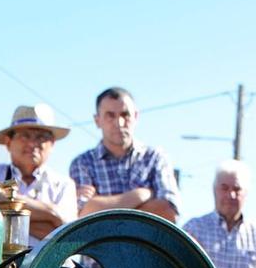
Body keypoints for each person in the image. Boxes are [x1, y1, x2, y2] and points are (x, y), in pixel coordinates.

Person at [0, 103, 78, 250]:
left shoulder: (64, 184)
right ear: (8, 143)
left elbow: (69, 235)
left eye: (41, 137)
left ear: (52, 144)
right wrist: (52, 214)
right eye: (25, 136)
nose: (33, 143)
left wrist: (5, 211)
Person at [70, 88, 179, 223]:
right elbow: (82, 216)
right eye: (110, 115)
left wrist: (101, 207)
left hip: (146, 244)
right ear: (97, 120)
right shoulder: (83, 163)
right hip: (102, 245)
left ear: (136, 116)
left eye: (125, 114)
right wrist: (140, 195)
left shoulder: (155, 158)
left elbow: (169, 212)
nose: (119, 123)